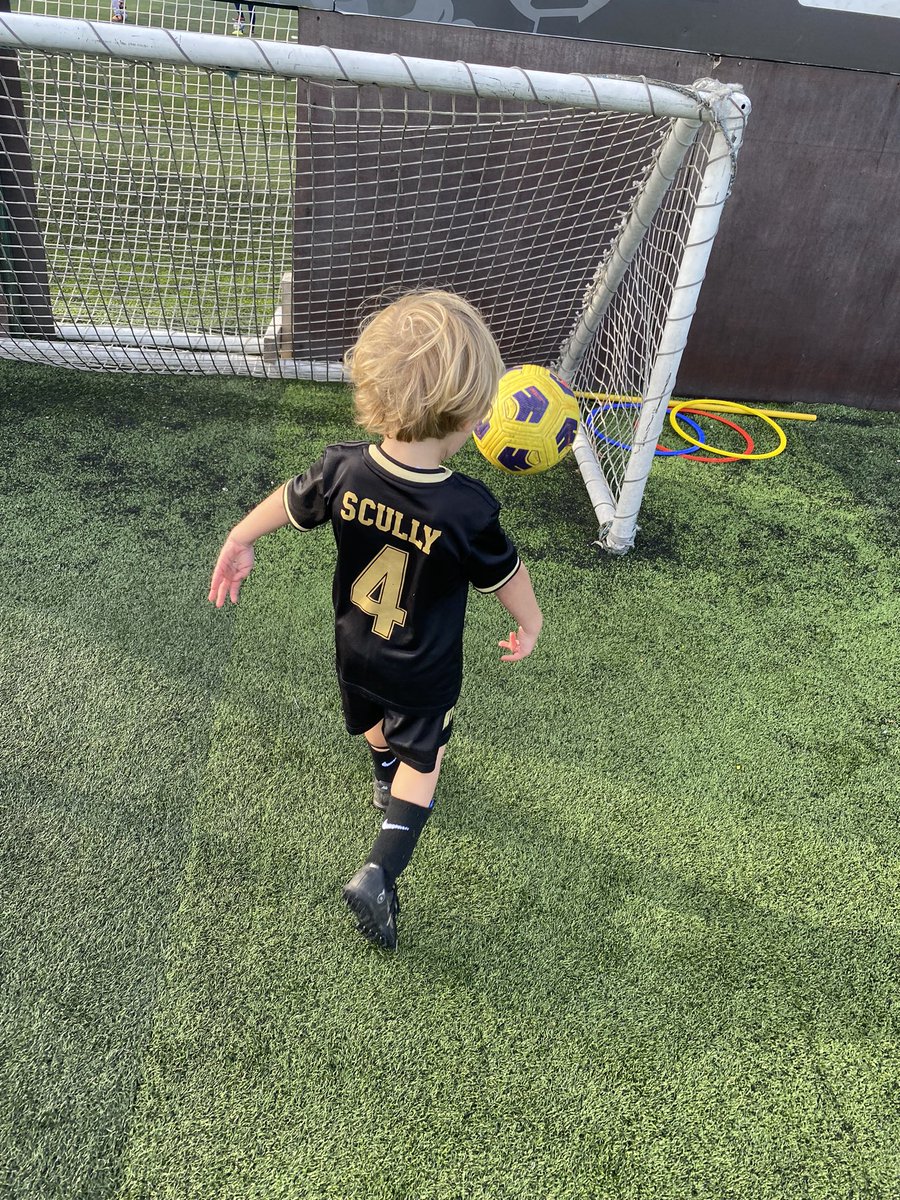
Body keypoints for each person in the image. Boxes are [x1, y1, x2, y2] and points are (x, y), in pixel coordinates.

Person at [208, 290, 542, 949]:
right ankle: (380, 871)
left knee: (371, 722)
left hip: (354, 648)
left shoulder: (344, 469)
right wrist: (529, 624)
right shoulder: (466, 509)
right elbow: (508, 579)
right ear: (475, 419)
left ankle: (383, 773)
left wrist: (239, 537)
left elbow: (288, 502)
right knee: (430, 756)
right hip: (421, 671)